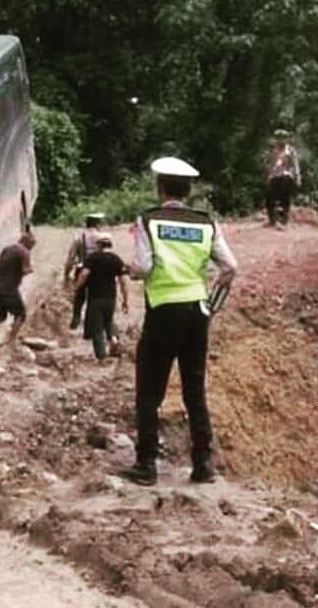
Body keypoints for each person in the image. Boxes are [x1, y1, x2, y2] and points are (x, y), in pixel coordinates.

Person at [123, 157, 237, 487]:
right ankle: (203, 464)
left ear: (160, 188)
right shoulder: (206, 222)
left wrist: (132, 272)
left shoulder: (148, 220)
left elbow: (143, 267)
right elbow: (230, 267)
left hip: (162, 311)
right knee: (194, 389)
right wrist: (211, 304)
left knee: (149, 390)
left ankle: (146, 464)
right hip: (197, 313)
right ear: (187, 190)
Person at [73, 232, 129, 361]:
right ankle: (114, 340)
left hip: (96, 298)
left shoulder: (92, 258)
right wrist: (125, 300)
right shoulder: (116, 259)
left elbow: (84, 274)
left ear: (98, 244)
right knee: (109, 321)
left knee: (97, 327)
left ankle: (102, 356)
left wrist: (76, 287)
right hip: (111, 298)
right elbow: (123, 283)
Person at [0, 231, 36, 348]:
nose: (32, 248)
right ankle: (11, 341)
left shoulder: (7, 249)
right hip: (9, 289)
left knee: (0, 314)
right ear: (27, 242)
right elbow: (26, 270)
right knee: (21, 314)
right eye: (32, 245)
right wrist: (30, 269)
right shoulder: (24, 252)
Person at [64, 212, 106, 330]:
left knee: (79, 296)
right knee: (95, 296)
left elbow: (71, 257)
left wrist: (66, 274)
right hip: (97, 271)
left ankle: (76, 318)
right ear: (97, 223)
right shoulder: (101, 237)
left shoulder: (79, 236)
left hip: (81, 268)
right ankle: (93, 322)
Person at [266, 129, 301, 229]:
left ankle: (284, 220)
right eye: (278, 138)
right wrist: (269, 177)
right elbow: (271, 165)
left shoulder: (290, 151)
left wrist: (297, 177)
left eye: (282, 138)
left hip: (286, 175)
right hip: (275, 176)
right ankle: (272, 221)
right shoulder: (274, 150)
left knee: (284, 196)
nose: (280, 140)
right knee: (269, 197)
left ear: (286, 139)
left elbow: (295, 165)